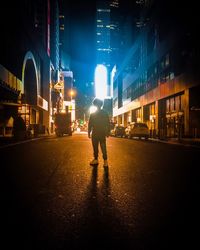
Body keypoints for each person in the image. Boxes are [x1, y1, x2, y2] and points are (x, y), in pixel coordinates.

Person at [88, 98, 110, 167]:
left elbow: (90, 124)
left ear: (94, 104)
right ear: (101, 104)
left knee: (95, 147)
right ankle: (105, 161)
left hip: (95, 133)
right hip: (102, 132)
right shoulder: (105, 113)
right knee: (103, 147)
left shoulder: (92, 114)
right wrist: (108, 132)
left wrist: (89, 133)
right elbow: (107, 123)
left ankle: (96, 159)